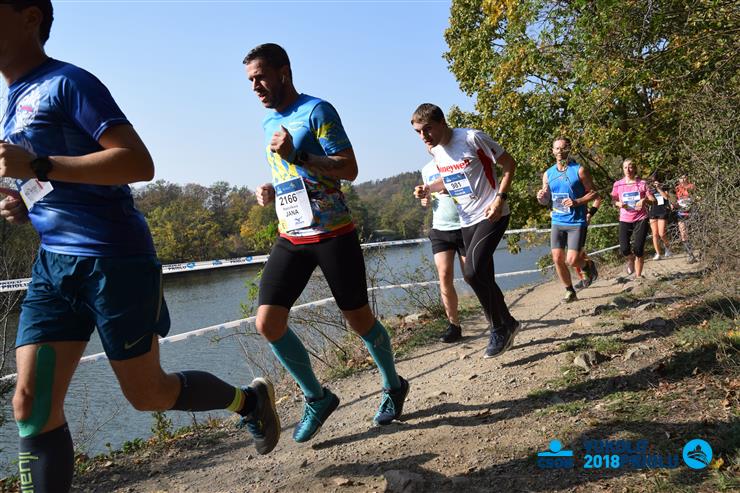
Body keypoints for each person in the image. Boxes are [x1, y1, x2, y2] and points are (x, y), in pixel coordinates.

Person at [0, 3, 279, 491]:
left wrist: (39, 165)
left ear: (30, 17)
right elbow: (52, 176)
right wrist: (25, 200)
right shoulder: (13, 97)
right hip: (53, 264)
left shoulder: (68, 82)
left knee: (148, 394)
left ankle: (249, 402)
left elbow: (137, 162)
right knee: (30, 404)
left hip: (114, 260)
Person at [243, 43, 409, 441]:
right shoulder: (268, 123)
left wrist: (298, 155)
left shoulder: (317, 111)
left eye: (260, 77)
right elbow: (292, 175)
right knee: (267, 322)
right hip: (292, 235)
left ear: (283, 72)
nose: (255, 87)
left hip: (333, 234)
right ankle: (316, 398)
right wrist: (272, 189)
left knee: (359, 320)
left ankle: (393, 385)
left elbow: (349, 168)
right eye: (250, 81)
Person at [411, 103, 520, 359]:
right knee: (483, 276)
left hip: (492, 213)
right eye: (418, 132)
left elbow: (509, 164)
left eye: (427, 129)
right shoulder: (436, 150)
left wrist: (500, 199)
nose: (423, 136)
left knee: (471, 272)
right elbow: (452, 180)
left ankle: (498, 329)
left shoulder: (472, 138)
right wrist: (428, 188)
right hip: (467, 219)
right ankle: (509, 322)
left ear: (442, 122)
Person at [536, 137, 599, 302]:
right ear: (552, 151)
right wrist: (541, 197)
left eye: (563, 148)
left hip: (576, 221)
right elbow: (546, 199)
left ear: (569, 149)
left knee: (572, 260)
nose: (560, 151)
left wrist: (576, 202)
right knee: (557, 258)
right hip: (557, 220)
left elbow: (594, 193)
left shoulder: (579, 170)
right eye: (557, 148)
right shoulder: (548, 174)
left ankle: (587, 265)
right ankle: (570, 291)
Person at [418, 149, 466, 342]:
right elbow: (428, 201)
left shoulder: (458, 161)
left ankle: (497, 319)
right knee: (444, 275)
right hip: (440, 229)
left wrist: (449, 187)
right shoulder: (426, 169)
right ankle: (454, 326)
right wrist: (425, 199)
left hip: (465, 225)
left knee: (473, 275)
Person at [611, 159, 655, 279]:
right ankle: (630, 259)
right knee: (624, 249)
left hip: (641, 218)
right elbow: (613, 200)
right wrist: (618, 204)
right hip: (625, 219)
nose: (628, 170)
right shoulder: (618, 184)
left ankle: (638, 276)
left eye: (630, 167)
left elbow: (653, 200)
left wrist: (644, 200)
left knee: (638, 248)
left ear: (635, 169)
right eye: (625, 167)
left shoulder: (642, 183)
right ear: (623, 169)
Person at [573, 195, 602, 290]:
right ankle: (587, 270)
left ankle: (586, 275)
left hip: (580, 222)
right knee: (573, 253)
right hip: (562, 223)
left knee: (576, 253)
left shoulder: (581, 187)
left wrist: (590, 214)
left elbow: (598, 198)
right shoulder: (556, 188)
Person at [647, 173, 673, 260]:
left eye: (655, 180)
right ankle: (658, 253)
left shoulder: (664, 186)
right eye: (652, 180)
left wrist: (658, 188)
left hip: (662, 211)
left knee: (661, 233)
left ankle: (668, 248)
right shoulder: (648, 189)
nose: (653, 181)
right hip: (653, 212)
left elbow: (666, 197)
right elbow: (648, 199)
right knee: (654, 234)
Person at [674, 174, 697, 263]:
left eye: (684, 177)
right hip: (681, 212)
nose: (683, 180)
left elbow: (697, 198)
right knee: (683, 233)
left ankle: (700, 251)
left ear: (687, 178)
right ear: (678, 179)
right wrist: (674, 204)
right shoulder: (677, 188)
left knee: (692, 233)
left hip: (691, 212)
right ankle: (690, 254)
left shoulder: (691, 186)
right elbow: (674, 199)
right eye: (681, 178)